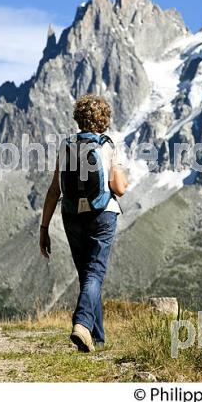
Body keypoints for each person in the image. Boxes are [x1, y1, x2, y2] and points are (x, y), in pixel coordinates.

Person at [39, 94, 128, 352]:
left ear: (78, 118)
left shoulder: (66, 146)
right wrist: (120, 171)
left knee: (86, 275)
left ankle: (96, 339)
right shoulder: (107, 145)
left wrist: (44, 229)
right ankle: (81, 324)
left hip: (71, 216)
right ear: (104, 120)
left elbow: (54, 190)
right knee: (95, 273)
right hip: (102, 215)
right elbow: (119, 188)